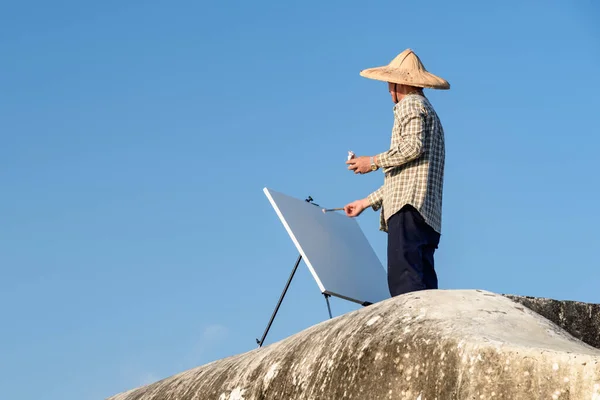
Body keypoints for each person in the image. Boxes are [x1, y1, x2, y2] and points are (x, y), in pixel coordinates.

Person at [344, 48, 450, 297]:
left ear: (397, 83)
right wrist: (365, 202)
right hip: (426, 213)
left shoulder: (410, 105)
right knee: (424, 285)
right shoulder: (429, 112)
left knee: (405, 284)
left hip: (408, 210)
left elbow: (412, 147)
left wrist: (372, 162)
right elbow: (405, 176)